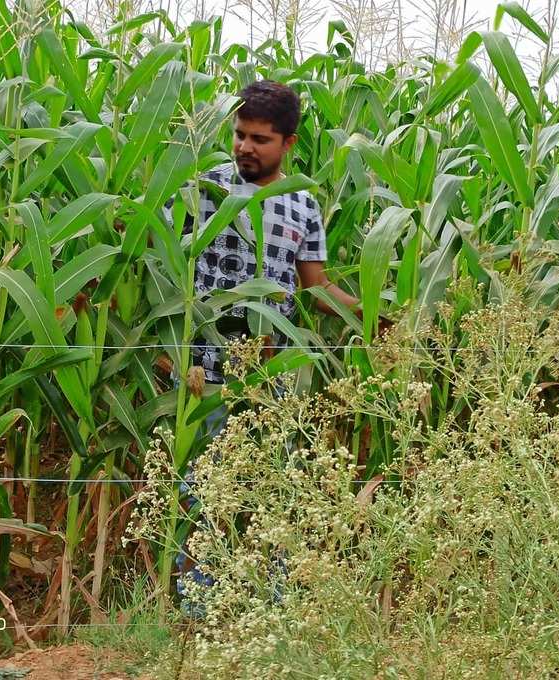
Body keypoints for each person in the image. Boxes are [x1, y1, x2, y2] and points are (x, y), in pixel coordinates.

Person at [162, 79, 364, 616]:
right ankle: (199, 607)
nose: (246, 147)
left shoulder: (303, 204)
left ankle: (273, 604)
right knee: (203, 490)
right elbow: (161, 265)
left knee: (274, 486)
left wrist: (369, 312)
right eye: (239, 135)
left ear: (289, 144)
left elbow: (315, 287)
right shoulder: (200, 188)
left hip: (273, 370)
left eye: (260, 139)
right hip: (205, 368)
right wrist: (170, 353)